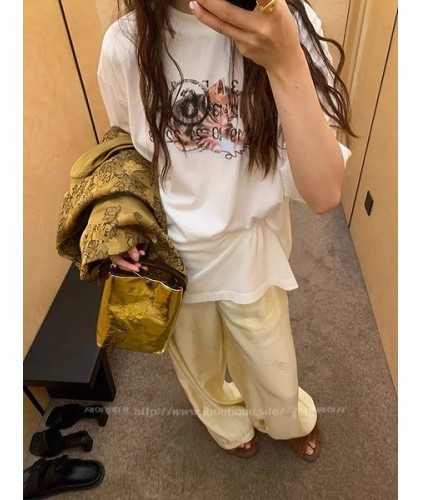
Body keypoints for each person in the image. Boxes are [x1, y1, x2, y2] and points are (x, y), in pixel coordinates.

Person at [98, 0, 354, 459]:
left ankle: (286, 420)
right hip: (170, 254)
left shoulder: (287, 26)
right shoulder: (125, 42)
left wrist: (284, 59)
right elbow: (128, 147)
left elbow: (323, 194)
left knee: (271, 361)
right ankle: (228, 426)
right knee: (198, 366)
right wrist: (119, 225)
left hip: (248, 246)